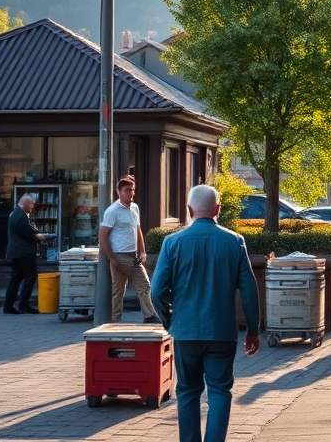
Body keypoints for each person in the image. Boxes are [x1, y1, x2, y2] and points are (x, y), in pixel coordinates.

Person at [151, 184, 260, 442]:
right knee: (220, 390)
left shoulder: (172, 242)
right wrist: (253, 331)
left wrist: (169, 320)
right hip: (221, 331)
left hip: (185, 331)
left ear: (189, 209)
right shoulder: (234, 241)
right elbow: (249, 292)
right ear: (217, 209)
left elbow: (156, 292)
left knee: (188, 392)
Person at [99, 175, 160, 323]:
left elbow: (137, 230)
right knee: (121, 289)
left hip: (134, 256)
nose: (131, 193)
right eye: (128, 190)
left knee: (142, 285)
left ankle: (147, 316)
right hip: (119, 255)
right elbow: (103, 236)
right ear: (119, 192)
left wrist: (142, 250)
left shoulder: (134, 208)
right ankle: (118, 319)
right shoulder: (113, 211)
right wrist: (112, 258)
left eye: (133, 190)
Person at [4, 194, 45, 314]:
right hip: (24, 252)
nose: (32, 207)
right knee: (30, 276)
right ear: (26, 204)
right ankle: (23, 304)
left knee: (16, 278)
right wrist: (37, 236)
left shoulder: (15, 213)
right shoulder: (20, 215)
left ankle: (9, 305)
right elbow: (27, 230)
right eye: (32, 204)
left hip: (17, 251)